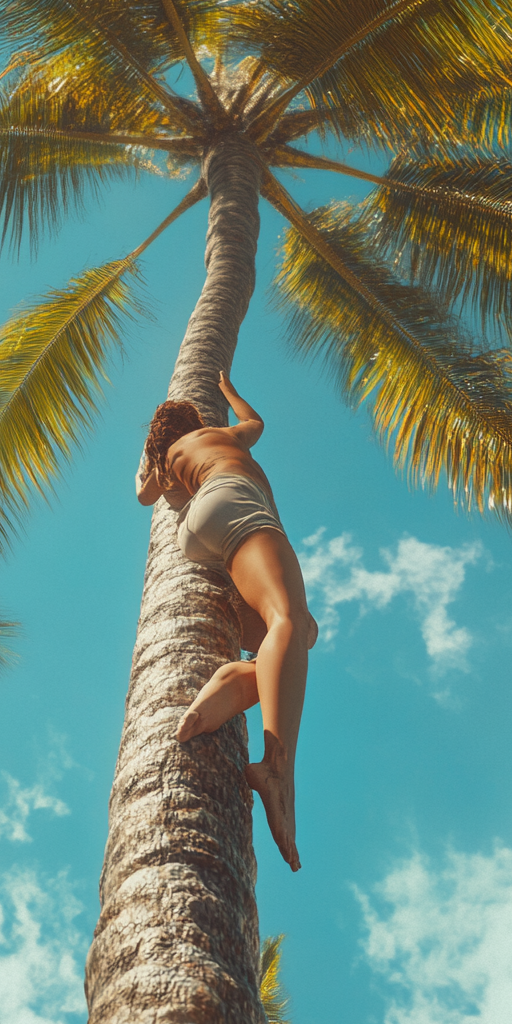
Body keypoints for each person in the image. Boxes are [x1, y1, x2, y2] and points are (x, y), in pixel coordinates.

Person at [135, 372, 315, 872]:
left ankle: (238, 677)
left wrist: (149, 452)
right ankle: (276, 767)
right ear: (195, 421)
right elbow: (254, 421)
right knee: (288, 619)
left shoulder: (166, 463)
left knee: (299, 634)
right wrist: (229, 388)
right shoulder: (222, 436)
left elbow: (144, 495)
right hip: (235, 501)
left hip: (200, 528)